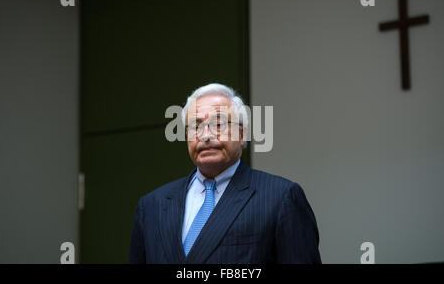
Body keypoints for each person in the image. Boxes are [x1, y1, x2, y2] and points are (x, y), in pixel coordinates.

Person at [129, 83, 321, 264]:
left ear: (242, 133)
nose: (206, 136)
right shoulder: (152, 206)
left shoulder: (280, 198)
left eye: (219, 124)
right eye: (196, 126)